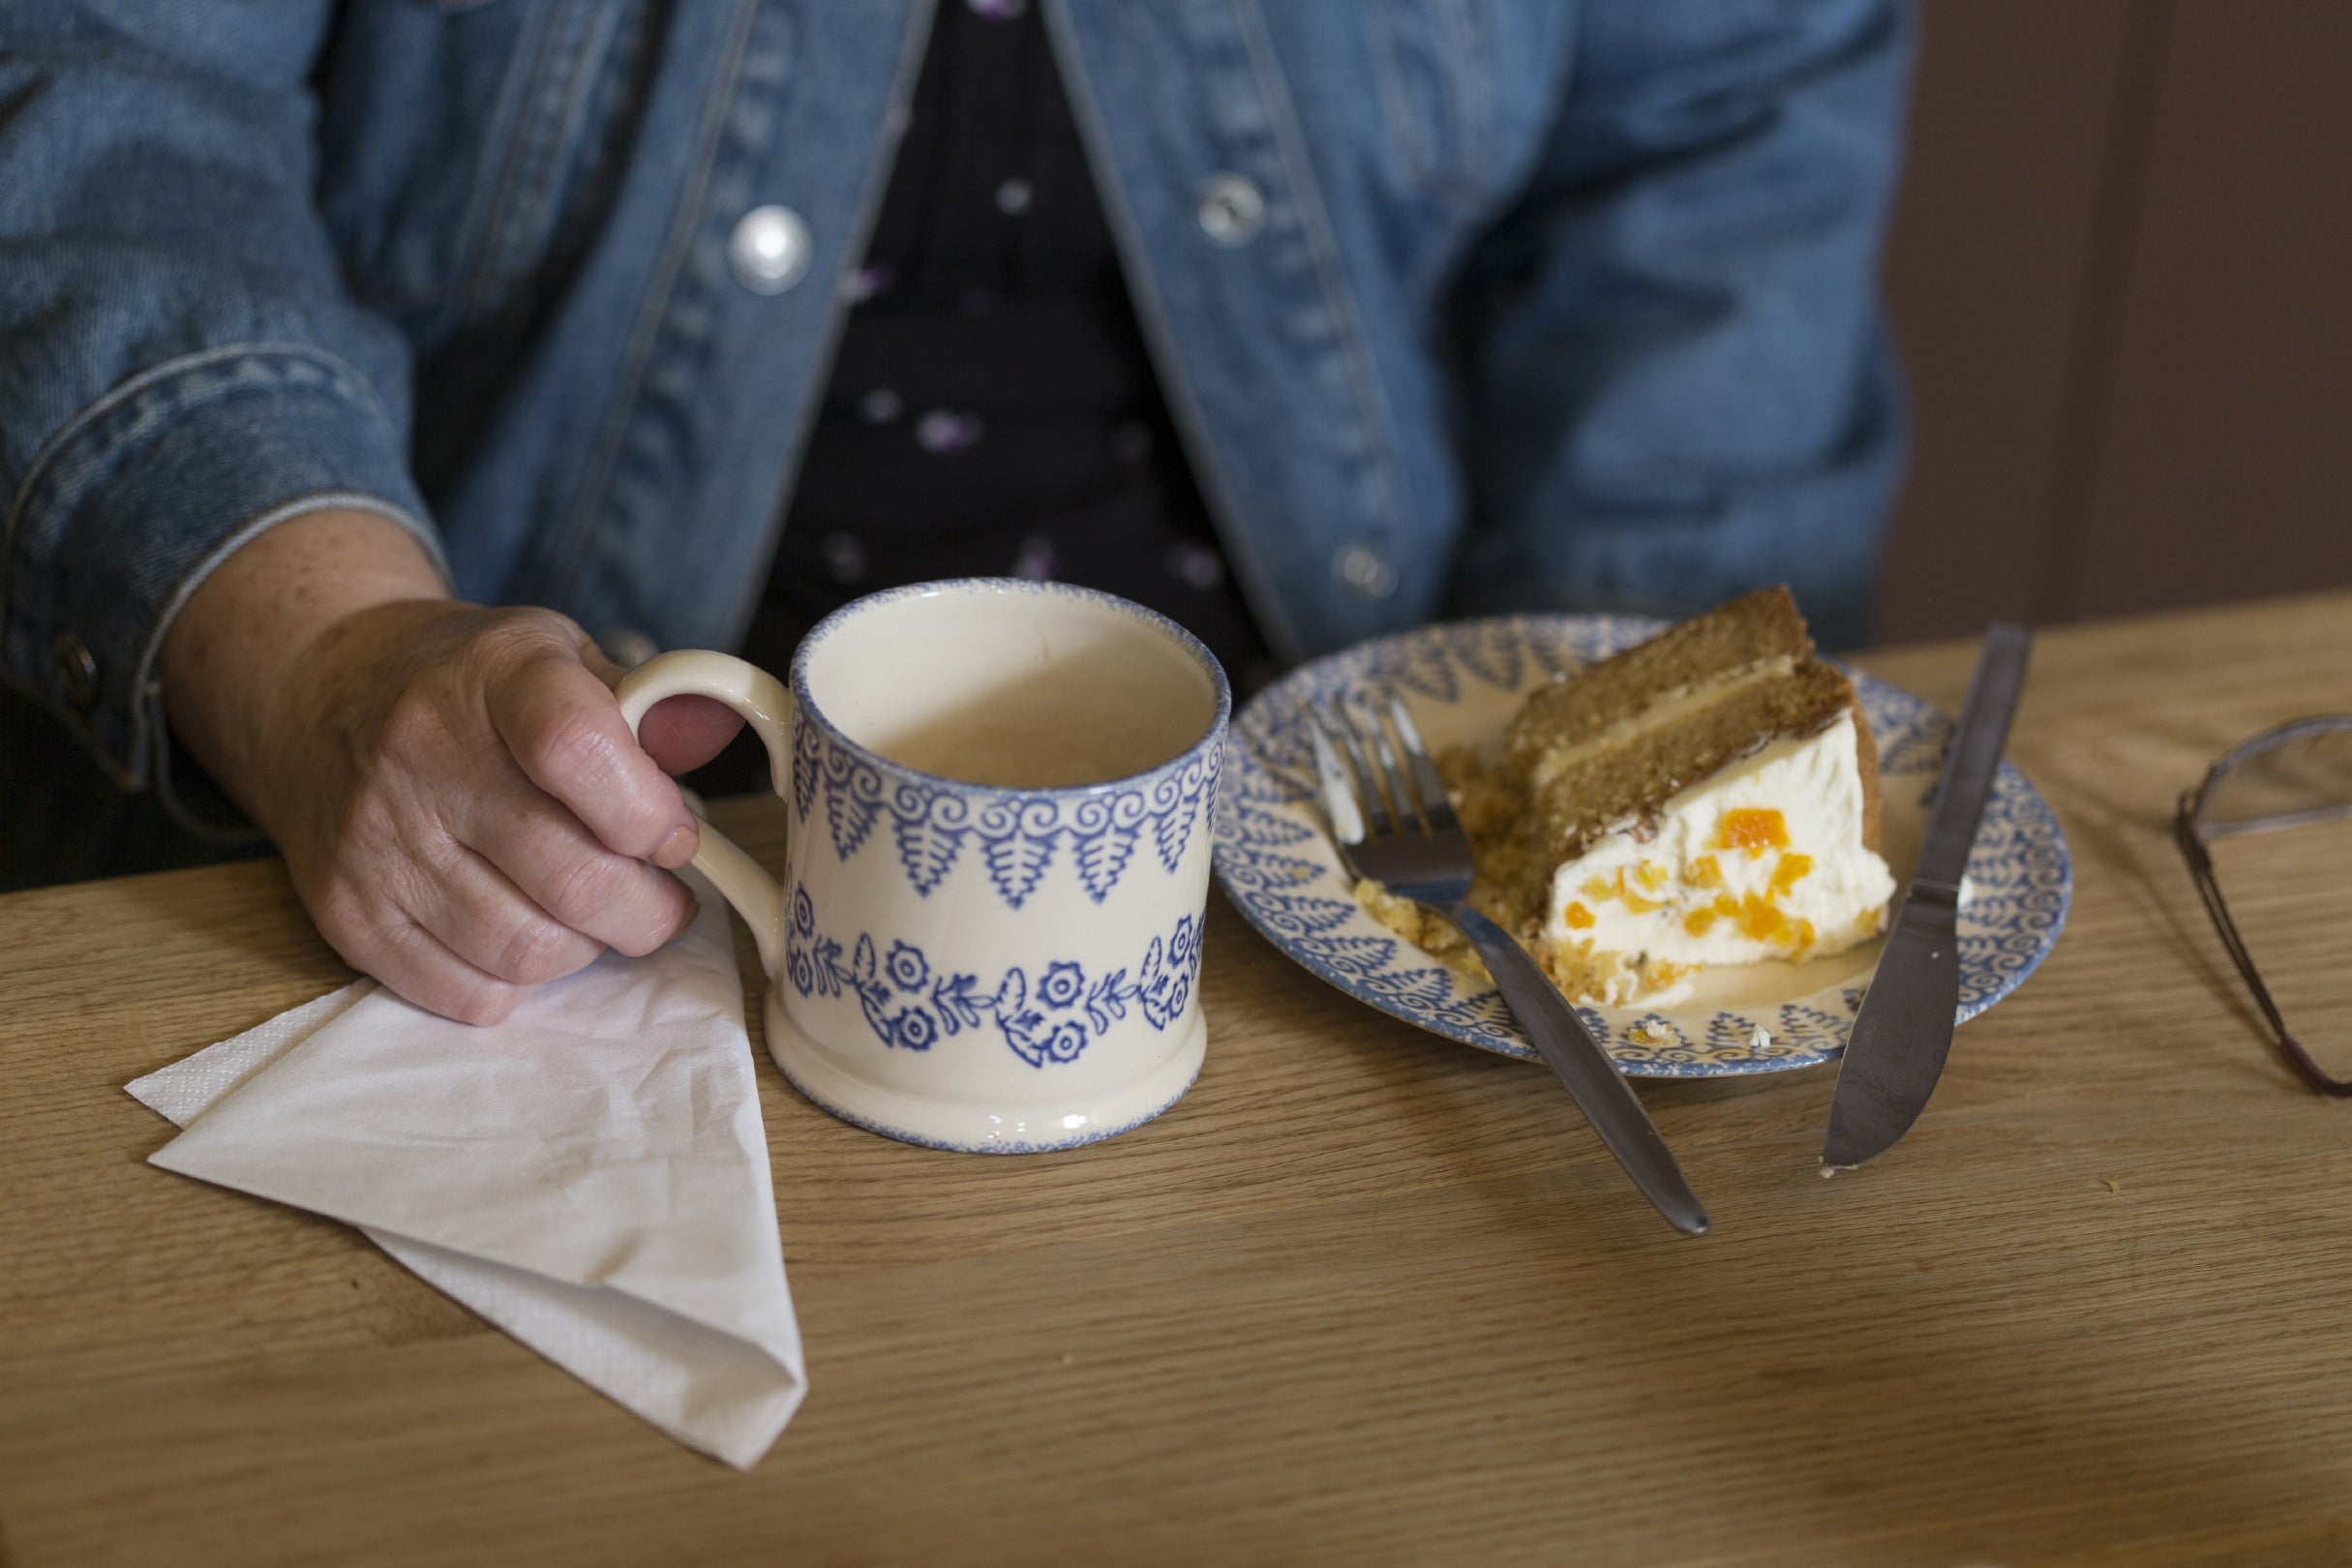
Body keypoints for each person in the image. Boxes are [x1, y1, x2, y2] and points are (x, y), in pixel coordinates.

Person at [0, 0, 1914, 1023]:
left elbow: (1724, 142)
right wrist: (331, 659)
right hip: (512, 850)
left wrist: (1627, 790)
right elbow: (103, 81)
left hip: (1340, 870)